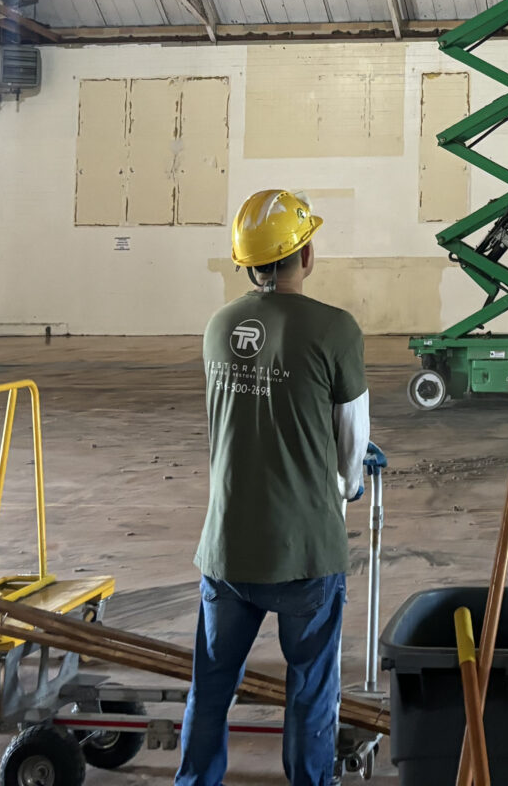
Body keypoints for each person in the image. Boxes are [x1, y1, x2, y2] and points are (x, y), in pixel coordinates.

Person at [177, 189, 370, 786]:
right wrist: (349, 484)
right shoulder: (335, 328)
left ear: (246, 263)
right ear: (305, 253)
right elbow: (351, 442)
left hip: (227, 547)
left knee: (210, 687)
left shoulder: (219, 326)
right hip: (305, 551)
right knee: (310, 690)